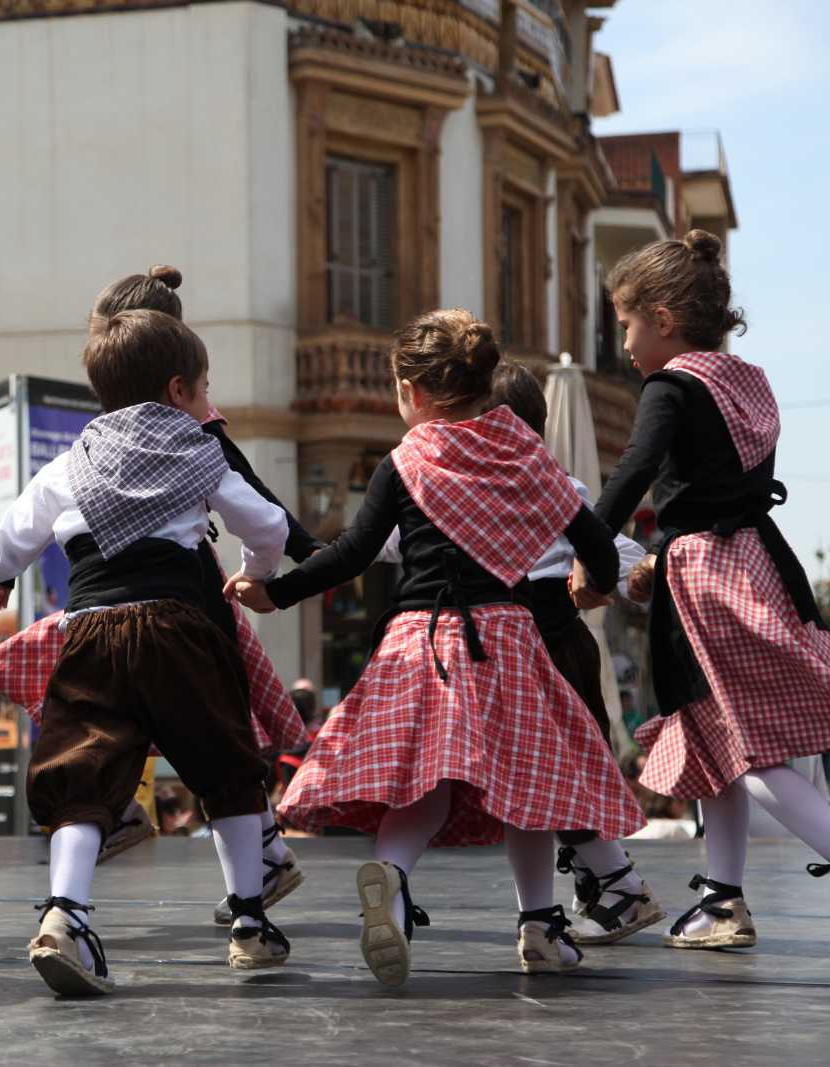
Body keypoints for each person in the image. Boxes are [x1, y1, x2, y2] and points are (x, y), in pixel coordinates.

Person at [231, 308, 643, 987]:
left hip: (418, 641)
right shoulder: (528, 457)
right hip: (507, 637)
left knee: (421, 785)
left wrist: (276, 592)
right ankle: (539, 925)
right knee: (529, 788)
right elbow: (597, 543)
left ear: (415, 393)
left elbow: (352, 553)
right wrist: (595, 583)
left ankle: (391, 881)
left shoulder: (405, 462)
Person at [0, 308, 293, 995]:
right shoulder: (199, 452)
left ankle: (67, 913)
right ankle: (249, 921)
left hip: (88, 632)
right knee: (224, 765)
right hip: (179, 629)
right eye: (204, 385)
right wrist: (255, 574)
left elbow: (0, 550)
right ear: (179, 390)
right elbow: (268, 524)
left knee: (79, 775)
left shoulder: (68, 464)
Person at [576, 229, 830, 965]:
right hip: (758, 560)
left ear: (663, 318)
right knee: (716, 736)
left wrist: (590, 546)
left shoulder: (669, 385)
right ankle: (720, 900)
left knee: (748, 745)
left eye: (628, 325)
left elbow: (635, 468)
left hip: (703, 572)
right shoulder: (745, 379)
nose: (625, 343)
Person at [0, 266, 315, 923]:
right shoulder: (181, 427)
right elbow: (264, 515)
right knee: (218, 746)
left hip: (114, 614)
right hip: (186, 607)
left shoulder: (106, 444)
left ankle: (78, 899)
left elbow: (15, 538)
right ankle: (251, 890)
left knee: (101, 737)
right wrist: (294, 562)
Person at [476, 362, 663, 944]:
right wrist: (645, 570)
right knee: (555, 775)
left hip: (538, 647)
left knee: (550, 775)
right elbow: (612, 545)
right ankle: (597, 878)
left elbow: (609, 544)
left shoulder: (511, 490)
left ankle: (619, 884)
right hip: (555, 644)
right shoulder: (562, 484)